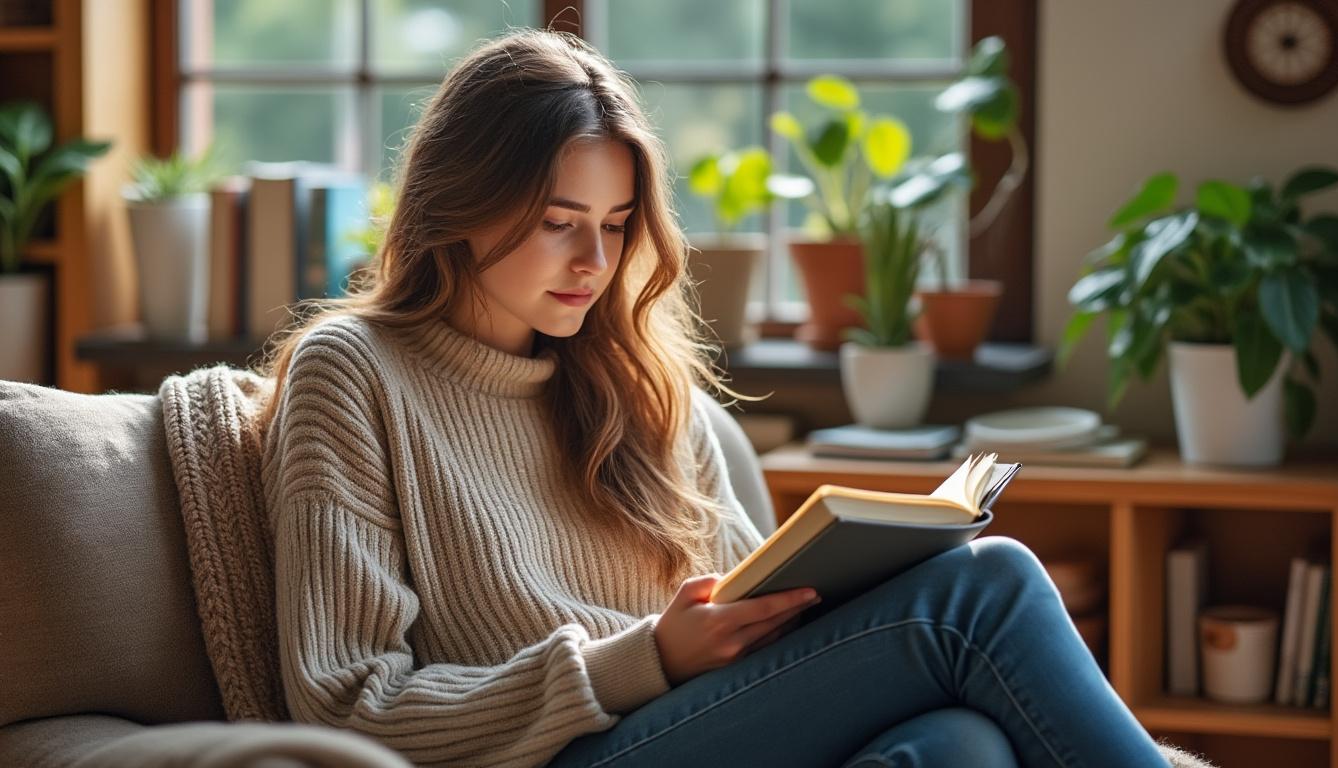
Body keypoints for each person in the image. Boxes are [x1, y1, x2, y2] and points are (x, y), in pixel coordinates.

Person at [259, 27, 1173, 768]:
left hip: (694, 727)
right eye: (558, 223)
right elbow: (351, 705)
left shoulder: (631, 377)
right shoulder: (355, 373)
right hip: (558, 754)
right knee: (984, 588)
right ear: (457, 205)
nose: (596, 263)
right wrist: (644, 658)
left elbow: (753, 598)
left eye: (617, 227)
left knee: (958, 749)